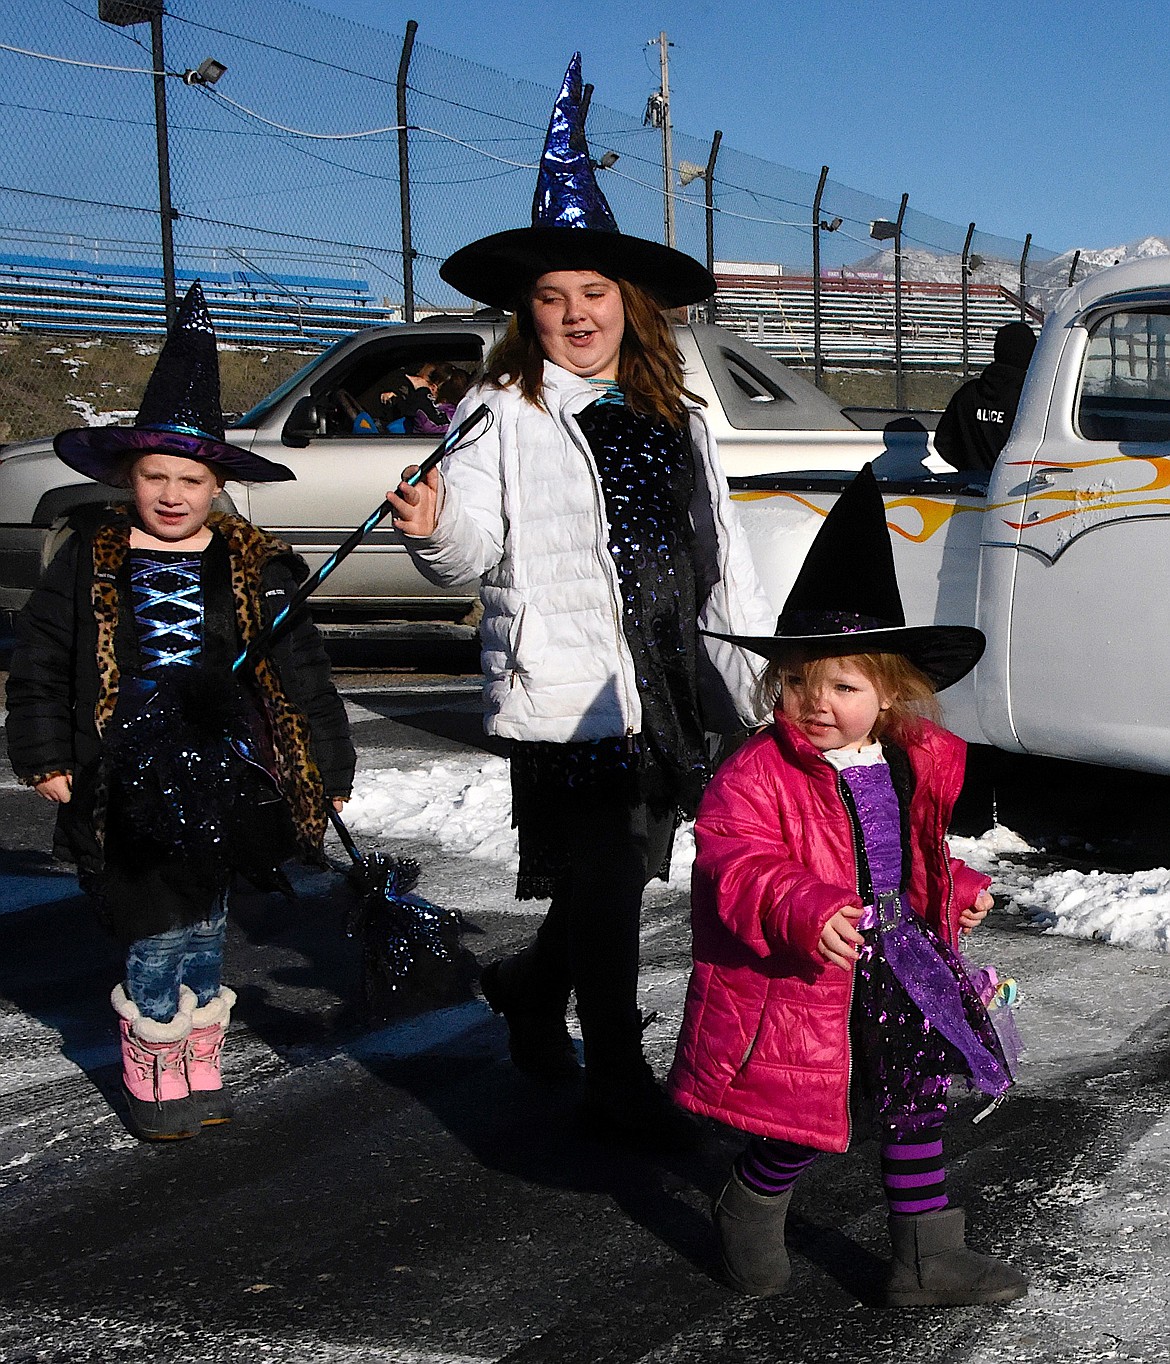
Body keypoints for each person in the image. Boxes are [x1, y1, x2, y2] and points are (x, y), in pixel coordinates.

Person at [387, 54, 774, 1148]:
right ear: (528, 312)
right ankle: (618, 1077)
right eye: (551, 299)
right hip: (573, 686)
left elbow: (721, 551)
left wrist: (748, 668)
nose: (573, 314)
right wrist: (430, 531)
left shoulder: (679, 407)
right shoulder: (500, 407)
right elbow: (471, 551)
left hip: (673, 671)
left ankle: (525, 987)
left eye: (592, 294)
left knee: (621, 873)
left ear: (628, 303)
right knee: (607, 879)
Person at [668, 465, 1026, 1305]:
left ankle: (924, 1261)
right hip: (811, 968)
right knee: (805, 1114)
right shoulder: (758, 772)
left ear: (891, 692)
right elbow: (736, 859)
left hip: (902, 956)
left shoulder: (905, 759)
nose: (814, 702)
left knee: (914, 1100)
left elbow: (911, 852)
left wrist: (958, 884)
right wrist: (806, 905)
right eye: (796, 683)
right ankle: (752, 1202)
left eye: (842, 685)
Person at [5, 282, 355, 1143]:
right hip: (120, 778)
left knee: (205, 922)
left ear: (216, 485)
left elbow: (302, 673)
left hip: (222, 780)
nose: (170, 494)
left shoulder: (255, 570)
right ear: (129, 480)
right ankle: (153, 1070)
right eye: (154, 477)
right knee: (152, 926)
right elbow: (42, 661)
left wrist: (327, 768)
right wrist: (45, 753)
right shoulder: (92, 559)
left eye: (188, 479)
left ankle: (199, 1057)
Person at [933, 320, 1036, 472]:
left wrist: (970, 469)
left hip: (970, 487)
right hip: (1012, 488)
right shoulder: (1029, 398)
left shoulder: (967, 394)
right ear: (1030, 354)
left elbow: (944, 441)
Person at [409, 363, 471, 435]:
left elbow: (431, 426)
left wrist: (422, 391)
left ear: (433, 388)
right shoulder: (469, 410)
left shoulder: (454, 415)